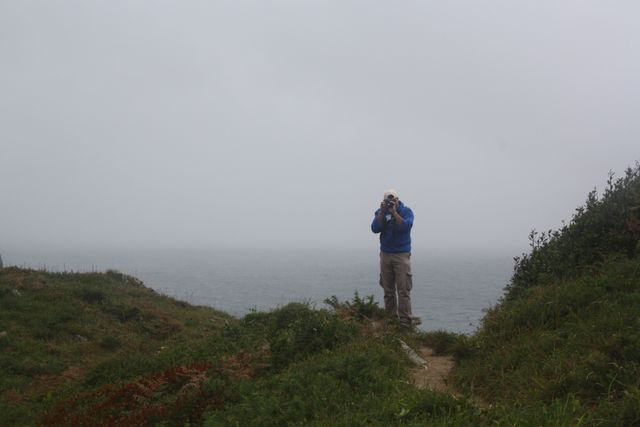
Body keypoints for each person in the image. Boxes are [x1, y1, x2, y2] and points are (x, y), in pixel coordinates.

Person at [371, 189, 415, 326]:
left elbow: (405, 227)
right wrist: (383, 212)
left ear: (398, 200)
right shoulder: (381, 213)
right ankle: (391, 318)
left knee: (403, 289)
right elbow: (374, 228)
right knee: (388, 288)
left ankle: (405, 320)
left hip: (401, 254)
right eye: (389, 201)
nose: (391, 203)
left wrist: (394, 213)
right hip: (385, 254)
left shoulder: (406, 211)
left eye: (393, 200)